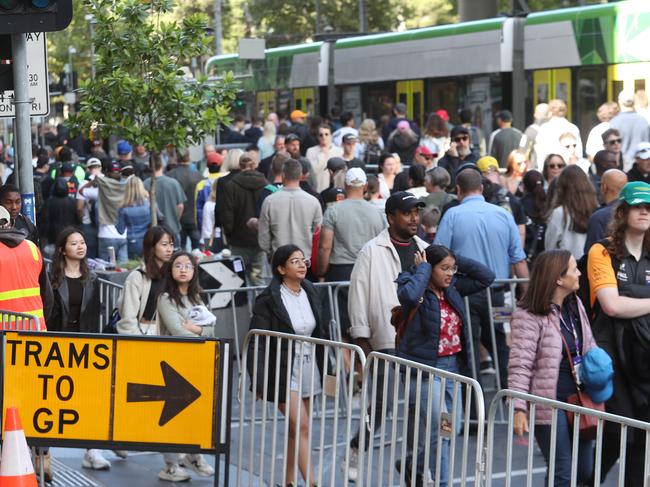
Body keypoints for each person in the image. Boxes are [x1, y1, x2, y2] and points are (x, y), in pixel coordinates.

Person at [345, 191, 428, 481]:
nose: (414, 218)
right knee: (381, 405)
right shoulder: (371, 250)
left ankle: (414, 462)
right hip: (386, 340)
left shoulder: (426, 249)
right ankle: (358, 445)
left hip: (418, 342)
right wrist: (361, 337)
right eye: (407, 213)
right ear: (391, 217)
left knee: (420, 406)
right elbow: (358, 295)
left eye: (417, 212)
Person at [395, 245, 494, 485]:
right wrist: (424, 268)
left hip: (453, 370)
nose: (450, 274)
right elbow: (408, 297)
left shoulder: (453, 289)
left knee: (452, 428)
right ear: (430, 268)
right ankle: (442, 482)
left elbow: (486, 277)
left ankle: (412, 465)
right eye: (444, 268)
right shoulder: (413, 283)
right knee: (443, 430)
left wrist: (454, 257)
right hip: (428, 371)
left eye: (453, 269)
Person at [435, 168, 529, 390]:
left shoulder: (453, 215)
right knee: (500, 344)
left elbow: (437, 256)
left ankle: (474, 408)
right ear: (482, 188)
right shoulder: (504, 215)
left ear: (458, 190)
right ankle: (512, 396)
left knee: (469, 346)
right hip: (497, 295)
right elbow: (519, 259)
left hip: (465, 296)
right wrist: (527, 295)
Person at [509, 249, 597, 487]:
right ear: (558, 278)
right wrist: (519, 408)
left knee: (584, 469)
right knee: (563, 472)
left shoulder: (574, 304)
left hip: (580, 399)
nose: (579, 273)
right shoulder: (528, 315)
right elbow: (520, 365)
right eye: (574, 269)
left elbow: (587, 344)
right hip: (549, 403)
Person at [586, 181, 650, 485]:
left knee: (642, 438)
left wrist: (634, 303)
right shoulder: (602, 251)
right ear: (622, 212)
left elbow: (622, 303)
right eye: (638, 206)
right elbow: (611, 305)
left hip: (645, 359)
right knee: (615, 434)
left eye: (649, 207)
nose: (645, 212)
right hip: (612, 357)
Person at [47, 227, 127, 470]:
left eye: (82, 242)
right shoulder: (51, 277)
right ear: (62, 249)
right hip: (56, 345)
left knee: (92, 399)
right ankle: (42, 452)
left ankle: (92, 450)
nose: (80, 247)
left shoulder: (91, 278)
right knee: (50, 399)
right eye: (74, 243)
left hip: (84, 345)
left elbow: (94, 313)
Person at [247, 244, 327, 487]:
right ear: (281, 268)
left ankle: (288, 481)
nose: (302, 265)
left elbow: (321, 331)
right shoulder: (269, 299)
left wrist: (329, 367)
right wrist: (258, 381)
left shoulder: (310, 290)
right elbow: (256, 342)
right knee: (302, 425)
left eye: (303, 261)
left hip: (308, 367)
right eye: (295, 261)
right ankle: (312, 483)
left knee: (297, 430)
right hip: (281, 370)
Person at [156, 250, 215, 481]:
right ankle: (170, 464)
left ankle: (192, 455)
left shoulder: (197, 298)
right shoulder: (165, 299)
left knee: (193, 412)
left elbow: (212, 329)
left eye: (187, 266)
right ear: (171, 270)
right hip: (171, 363)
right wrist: (198, 331)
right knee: (169, 415)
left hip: (194, 362)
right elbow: (178, 331)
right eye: (178, 265)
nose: (183, 269)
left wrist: (197, 329)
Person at [318, 168, 386, 335]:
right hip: (370, 271)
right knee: (366, 325)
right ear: (364, 186)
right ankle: (362, 361)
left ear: (346, 185)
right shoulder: (377, 213)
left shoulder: (333, 211)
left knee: (341, 327)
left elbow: (325, 246)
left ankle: (348, 361)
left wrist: (321, 271)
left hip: (341, 271)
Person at [258, 158, 322, 262]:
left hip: (279, 259)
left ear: (283, 175)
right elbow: (318, 233)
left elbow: (264, 238)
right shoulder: (313, 201)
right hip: (304, 259)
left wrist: (271, 253)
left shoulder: (269, 201)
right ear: (300, 175)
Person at [220, 154, 269, 285]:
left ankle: (245, 305)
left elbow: (227, 214)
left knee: (238, 279)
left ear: (239, 165)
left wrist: (230, 234)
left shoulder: (230, 186)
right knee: (258, 278)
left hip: (238, 240)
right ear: (256, 165)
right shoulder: (266, 185)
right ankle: (259, 304)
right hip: (260, 239)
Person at [544, 165, 598, 259]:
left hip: (569, 266)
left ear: (562, 186)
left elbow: (550, 246)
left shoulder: (559, 212)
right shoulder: (596, 208)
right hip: (592, 263)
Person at [144, 157, 186, 244]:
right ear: (162, 165)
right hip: (172, 227)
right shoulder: (173, 183)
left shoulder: (145, 184)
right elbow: (180, 206)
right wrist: (175, 219)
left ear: (149, 166)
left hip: (153, 231)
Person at [168, 148, 203, 250]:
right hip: (194, 219)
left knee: (179, 252)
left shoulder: (170, 175)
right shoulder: (198, 176)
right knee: (198, 254)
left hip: (177, 219)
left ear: (176, 158)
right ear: (189, 157)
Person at [584, 169, 627, 251]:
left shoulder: (599, 217)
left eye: (599, 184)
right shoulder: (633, 212)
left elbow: (591, 253)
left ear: (604, 187)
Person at [116, 176, 154, 259]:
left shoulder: (123, 208)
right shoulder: (150, 203)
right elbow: (159, 217)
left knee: (135, 268)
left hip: (133, 240)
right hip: (149, 239)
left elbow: (120, 230)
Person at [609, 90, 650, 169]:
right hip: (641, 165)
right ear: (634, 102)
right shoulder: (644, 121)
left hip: (622, 165)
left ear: (620, 102)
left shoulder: (614, 122)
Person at [535, 99, 583, 166]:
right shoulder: (573, 128)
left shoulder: (544, 128)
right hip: (569, 168)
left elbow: (540, 153)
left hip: (550, 168)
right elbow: (578, 153)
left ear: (550, 112)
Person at [305, 124, 343, 193]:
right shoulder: (310, 151)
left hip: (335, 190)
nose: (323, 137)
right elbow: (311, 172)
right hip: (317, 190)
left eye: (326, 134)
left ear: (331, 136)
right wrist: (322, 155)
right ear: (317, 137)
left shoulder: (339, 151)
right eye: (321, 135)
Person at [520, 170, 547, 262]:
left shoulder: (519, 205)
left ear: (524, 186)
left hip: (526, 254)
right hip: (547, 254)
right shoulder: (548, 203)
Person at [522, 103, 549, 169]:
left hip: (537, 168)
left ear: (535, 115)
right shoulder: (555, 129)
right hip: (554, 167)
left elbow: (522, 152)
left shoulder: (531, 130)